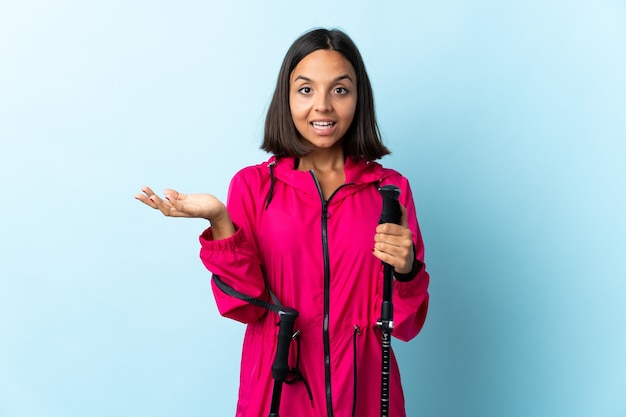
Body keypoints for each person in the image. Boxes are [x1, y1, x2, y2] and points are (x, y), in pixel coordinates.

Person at [135, 28, 430, 417]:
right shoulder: (254, 186)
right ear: (286, 98)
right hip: (277, 390)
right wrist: (220, 221)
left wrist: (407, 272)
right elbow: (244, 307)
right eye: (306, 90)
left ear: (359, 100)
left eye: (339, 90)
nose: (322, 106)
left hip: (364, 392)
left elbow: (405, 325)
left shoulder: (389, 191)